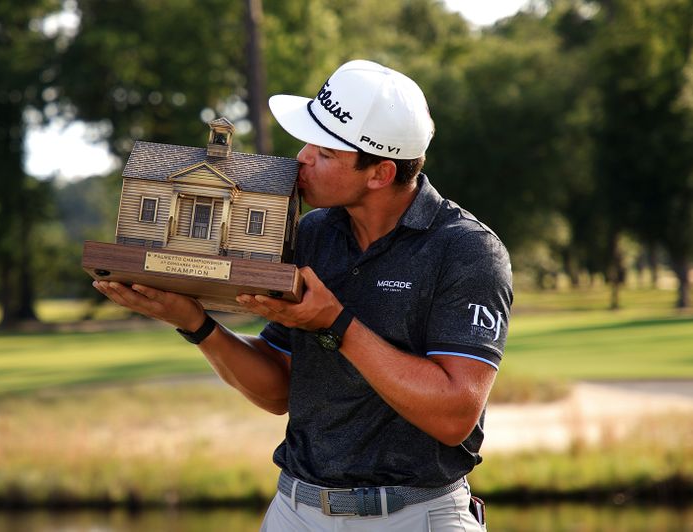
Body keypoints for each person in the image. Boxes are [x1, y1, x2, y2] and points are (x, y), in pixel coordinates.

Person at [93, 59, 512, 531]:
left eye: (325, 152)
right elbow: (276, 390)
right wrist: (196, 323)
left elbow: (454, 415)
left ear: (379, 173)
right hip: (297, 511)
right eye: (308, 140)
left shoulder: (466, 250)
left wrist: (337, 323)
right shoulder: (313, 232)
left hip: (415, 516)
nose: (302, 159)